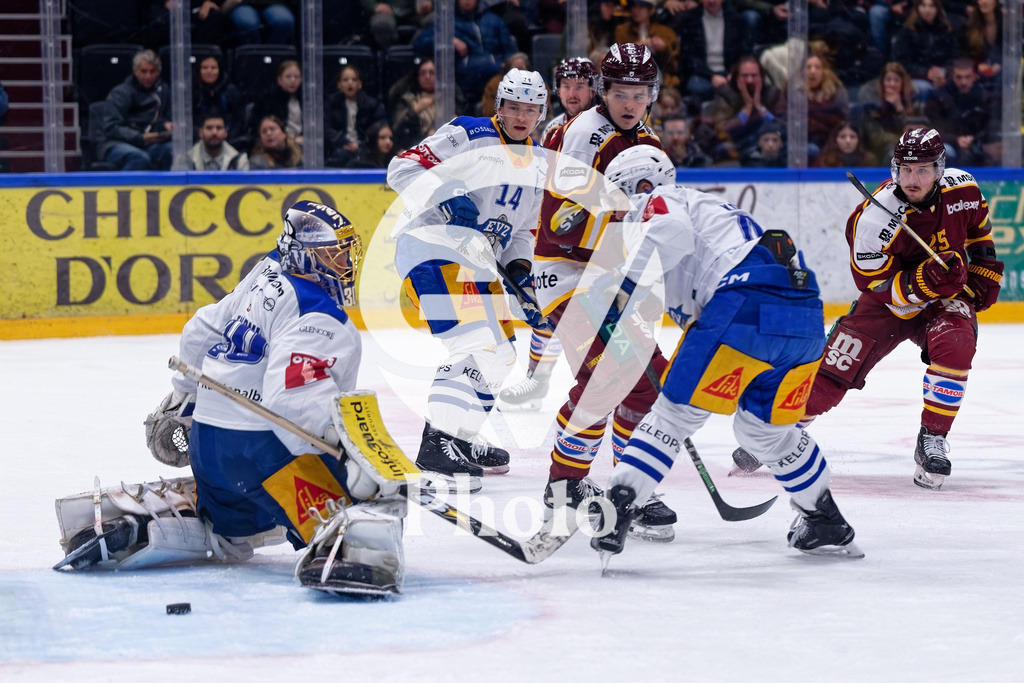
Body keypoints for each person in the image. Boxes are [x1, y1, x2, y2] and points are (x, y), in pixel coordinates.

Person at [54, 201, 407, 596]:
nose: (342, 266)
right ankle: (349, 548)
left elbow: (200, 329)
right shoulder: (320, 314)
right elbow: (291, 404)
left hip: (210, 446)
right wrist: (351, 453)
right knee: (377, 496)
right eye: (330, 255)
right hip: (266, 454)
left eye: (344, 254)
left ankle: (163, 525)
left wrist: (183, 399)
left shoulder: (267, 270)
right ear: (303, 254)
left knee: (233, 528)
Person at [587, 145, 861, 561]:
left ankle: (619, 505)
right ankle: (824, 517)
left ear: (641, 184)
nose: (619, 210)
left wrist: (622, 289)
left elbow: (671, 236)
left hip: (742, 302)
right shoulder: (710, 217)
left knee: (674, 416)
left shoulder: (661, 199)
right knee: (764, 433)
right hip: (803, 312)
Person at [803, 128, 1002, 490]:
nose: (912, 179)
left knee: (957, 344)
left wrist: (983, 266)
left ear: (940, 169)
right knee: (833, 373)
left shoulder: (964, 189)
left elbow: (978, 230)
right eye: (905, 169)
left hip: (943, 299)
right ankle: (782, 430)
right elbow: (872, 284)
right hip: (886, 306)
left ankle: (933, 438)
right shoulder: (874, 218)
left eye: (923, 170)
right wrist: (922, 282)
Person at [533, 43, 677, 541]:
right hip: (566, 274)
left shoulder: (648, 140)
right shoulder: (582, 134)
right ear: (604, 92)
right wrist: (621, 230)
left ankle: (629, 486)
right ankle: (564, 485)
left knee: (648, 381)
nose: (630, 102)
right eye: (620, 92)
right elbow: (561, 226)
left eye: (639, 93)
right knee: (606, 379)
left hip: (613, 275)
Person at [386, 68, 550, 490]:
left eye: (530, 109)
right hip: (431, 250)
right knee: (475, 342)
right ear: (499, 107)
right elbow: (401, 168)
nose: (521, 116)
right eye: (513, 106)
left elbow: (522, 231)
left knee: (501, 354)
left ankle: (460, 438)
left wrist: (520, 271)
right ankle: (435, 444)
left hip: (476, 266)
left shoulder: (536, 167)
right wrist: (448, 195)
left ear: (540, 114)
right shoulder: (469, 133)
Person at [498, 56, 598, 412]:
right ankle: (538, 382)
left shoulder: (603, 125)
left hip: (599, 236)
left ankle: (613, 385)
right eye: (566, 85)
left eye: (580, 85)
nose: (573, 93)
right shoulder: (554, 128)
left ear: (593, 88)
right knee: (547, 306)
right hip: (560, 236)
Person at [413, 0, 518, 103]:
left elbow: (510, 50)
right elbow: (420, 42)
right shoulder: (447, 21)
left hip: (497, 70)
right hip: (467, 73)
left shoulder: (493, 20)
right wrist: (448, 40)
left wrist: (508, 62)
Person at [96, 50, 174, 171]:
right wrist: (140, 137)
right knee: (139, 157)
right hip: (115, 143)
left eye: (152, 71)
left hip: (149, 143)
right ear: (135, 71)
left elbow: (164, 117)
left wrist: (166, 126)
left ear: (158, 72)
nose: (148, 76)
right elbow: (111, 127)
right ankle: (123, 189)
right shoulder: (120, 93)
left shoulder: (164, 90)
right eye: (143, 71)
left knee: (172, 151)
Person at [924, 57, 999, 165]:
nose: (963, 82)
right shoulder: (939, 98)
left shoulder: (985, 97)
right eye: (959, 77)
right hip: (948, 144)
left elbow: (993, 124)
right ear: (952, 77)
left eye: (968, 77)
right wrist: (956, 140)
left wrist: (976, 139)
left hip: (979, 143)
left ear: (975, 76)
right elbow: (933, 130)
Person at [708, 54, 784, 158]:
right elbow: (720, 131)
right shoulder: (725, 93)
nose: (750, 80)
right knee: (722, 149)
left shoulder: (773, 93)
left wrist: (760, 108)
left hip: (770, 144)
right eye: (745, 76)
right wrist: (747, 109)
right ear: (737, 77)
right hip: (738, 144)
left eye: (754, 76)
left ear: (761, 77)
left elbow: (785, 127)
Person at [673, 0, 749, 102]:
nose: (712, 1)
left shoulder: (736, 20)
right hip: (701, 74)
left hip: (729, 72)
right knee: (698, 87)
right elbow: (689, 56)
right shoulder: (689, 20)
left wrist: (734, 72)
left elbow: (742, 52)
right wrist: (712, 76)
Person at [892, 0, 959, 101]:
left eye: (932, 6)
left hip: (942, 76)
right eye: (923, 6)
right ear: (917, 8)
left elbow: (954, 56)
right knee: (925, 89)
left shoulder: (947, 30)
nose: (927, 10)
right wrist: (925, 72)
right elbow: (901, 61)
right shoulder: (907, 31)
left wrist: (942, 71)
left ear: (938, 9)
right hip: (916, 77)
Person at [856, 62, 920, 162]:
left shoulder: (912, 101)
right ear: (882, 82)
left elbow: (914, 131)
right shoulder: (871, 103)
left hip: (909, 147)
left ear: (903, 83)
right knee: (894, 153)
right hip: (878, 148)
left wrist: (899, 109)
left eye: (896, 80)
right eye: (888, 80)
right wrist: (903, 142)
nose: (892, 84)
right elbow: (876, 138)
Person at [326, 65, 387, 168]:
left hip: (365, 147)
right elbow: (327, 129)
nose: (350, 83)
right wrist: (345, 142)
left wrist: (361, 144)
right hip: (340, 147)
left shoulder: (372, 105)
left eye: (354, 80)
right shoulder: (331, 104)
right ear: (339, 84)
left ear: (360, 84)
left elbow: (377, 128)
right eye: (345, 80)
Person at [614, 0, 681, 90]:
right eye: (634, 6)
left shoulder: (666, 33)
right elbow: (616, 60)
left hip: (663, 83)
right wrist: (634, 49)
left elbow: (675, 65)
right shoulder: (622, 31)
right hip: (630, 80)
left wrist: (665, 48)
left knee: (668, 99)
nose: (636, 10)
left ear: (652, 10)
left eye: (641, 6)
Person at [192, 55, 247, 150]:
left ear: (220, 70)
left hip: (230, 139)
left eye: (213, 68)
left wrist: (226, 135)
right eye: (205, 68)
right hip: (199, 140)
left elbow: (239, 119)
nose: (209, 71)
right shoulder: (193, 92)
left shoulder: (230, 90)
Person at [248, 60, 304, 149]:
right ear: (280, 80)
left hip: (302, 143)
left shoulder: (307, 100)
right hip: (275, 145)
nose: (293, 80)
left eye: (296, 77)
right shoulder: (267, 99)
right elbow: (256, 125)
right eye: (288, 77)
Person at [222, 0, 296, 44]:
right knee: (246, 23)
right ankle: (253, 56)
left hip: (274, 3)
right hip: (243, 3)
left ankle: (274, 56)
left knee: (284, 21)